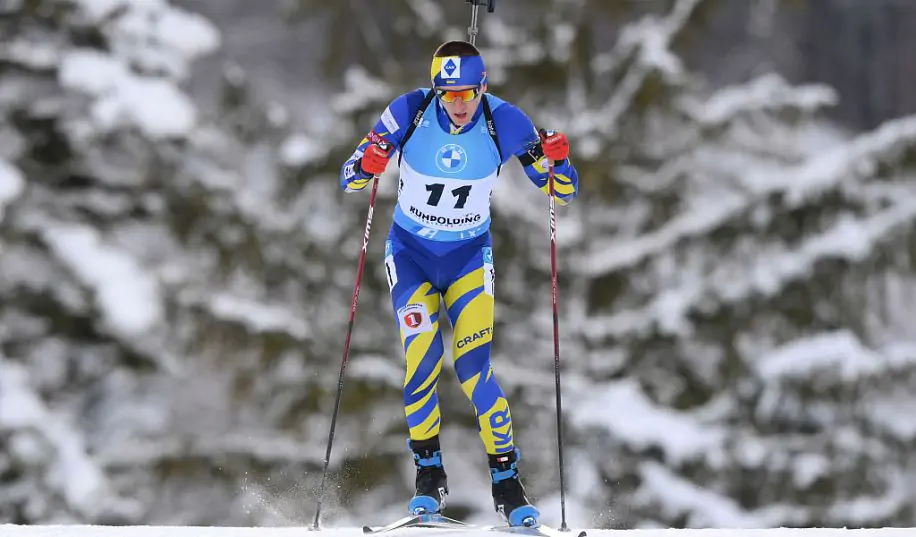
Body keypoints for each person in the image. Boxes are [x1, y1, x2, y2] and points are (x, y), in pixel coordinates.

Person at [339, 40, 579, 527]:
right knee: (421, 359)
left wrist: (560, 162)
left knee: (474, 370)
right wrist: (367, 166)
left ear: (483, 87)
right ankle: (429, 478)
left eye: (468, 93)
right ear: (436, 92)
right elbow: (349, 179)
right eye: (448, 95)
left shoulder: (506, 122)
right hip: (411, 258)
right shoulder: (407, 112)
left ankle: (508, 485)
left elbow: (561, 191)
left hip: (470, 259)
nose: (459, 105)